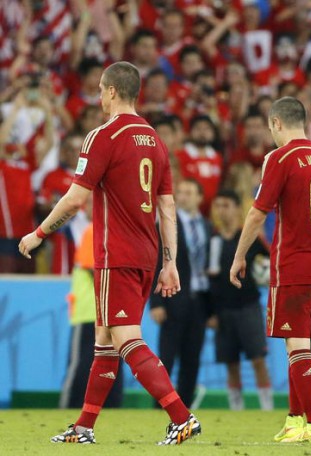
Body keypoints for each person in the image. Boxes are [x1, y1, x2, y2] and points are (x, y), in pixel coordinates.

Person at [18, 61, 200, 445]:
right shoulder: (155, 140)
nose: (99, 97)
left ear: (113, 91)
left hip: (114, 253)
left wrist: (38, 233)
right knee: (105, 342)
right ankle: (84, 427)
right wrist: (169, 263)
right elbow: (167, 208)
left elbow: (74, 200)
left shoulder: (103, 136)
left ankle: (181, 416)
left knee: (126, 340)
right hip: (146, 255)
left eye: (102, 90)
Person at [229, 96, 311, 444]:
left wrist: (240, 255)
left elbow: (258, 213)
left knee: (297, 346)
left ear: (275, 124)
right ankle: (295, 421)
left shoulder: (279, 157)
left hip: (293, 263)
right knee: (297, 345)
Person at [149, 178, 211, 408]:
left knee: (192, 357)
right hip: (172, 297)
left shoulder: (206, 226)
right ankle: (161, 404)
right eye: (180, 192)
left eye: (188, 192)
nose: (182, 196)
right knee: (167, 356)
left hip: (200, 300)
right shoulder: (166, 224)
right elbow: (156, 263)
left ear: (199, 198)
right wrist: (156, 302)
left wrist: (212, 308)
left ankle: (184, 408)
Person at [209, 189, 273, 411]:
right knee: (231, 363)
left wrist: (267, 274)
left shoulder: (250, 239)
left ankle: (267, 407)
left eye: (226, 205)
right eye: (218, 206)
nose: (221, 211)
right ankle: (236, 409)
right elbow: (211, 277)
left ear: (237, 208)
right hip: (223, 310)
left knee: (257, 359)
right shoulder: (214, 239)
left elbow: (272, 261)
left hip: (248, 307)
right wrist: (211, 312)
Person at [59, 206, 124, 409]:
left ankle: (79, 407)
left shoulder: (101, 232)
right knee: (97, 361)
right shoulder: (97, 232)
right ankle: (78, 406)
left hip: (101, 310)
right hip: (96, 309)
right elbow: (91, 269)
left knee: (98, 361)